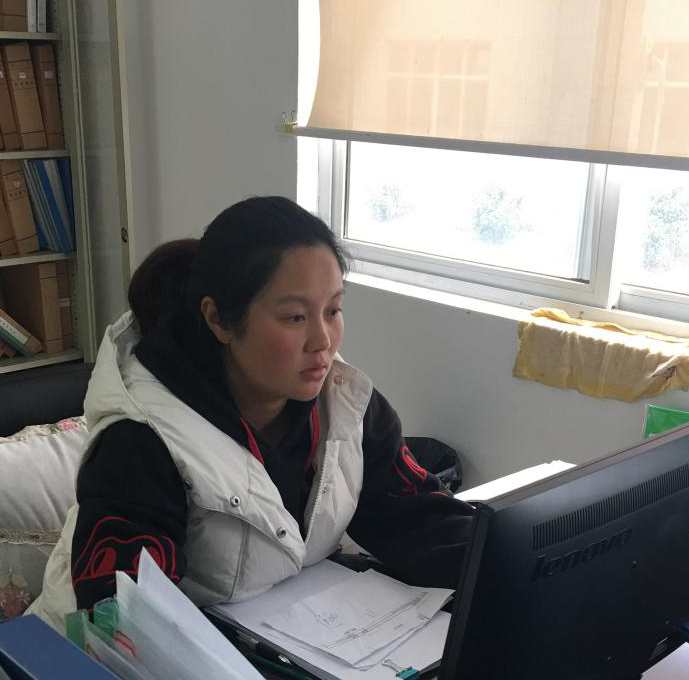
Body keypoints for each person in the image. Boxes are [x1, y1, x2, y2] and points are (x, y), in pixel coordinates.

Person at [28, 196, 474, 628]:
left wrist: (498, 567)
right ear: (219, 320)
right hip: (84, 658)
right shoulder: (140, 443)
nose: (323, 341)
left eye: (333, 310)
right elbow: (126, 620)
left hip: (290, 635)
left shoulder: (344, 404)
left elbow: (414, 519)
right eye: (295, 317)